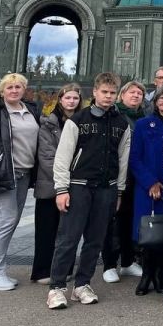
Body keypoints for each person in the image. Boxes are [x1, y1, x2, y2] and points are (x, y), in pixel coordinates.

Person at [47, 72, 131, 309]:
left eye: (112, 93)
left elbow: (123, 160)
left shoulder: (121, 123)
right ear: (94, 92)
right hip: (79, 187)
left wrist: (119, 191)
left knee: (95, 240)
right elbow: (63, 157)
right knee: (68, 239)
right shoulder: (78, 120)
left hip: (106, 189)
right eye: (104, 92)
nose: (108, 96)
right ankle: (57, 287)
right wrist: (61, 189)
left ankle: (82, 284)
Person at [0, 72, 40, 291]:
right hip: (3, 174)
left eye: (18, 87)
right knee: (5, 222)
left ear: (24, 89)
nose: (14, 90)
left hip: (24, 174)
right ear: (2, 91)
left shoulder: (30, 109)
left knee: (11, 221)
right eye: (9, 87)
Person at [130, 83, 163, 295]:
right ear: (155, 101)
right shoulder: (143, 124)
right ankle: (146, 275)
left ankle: (161, 275)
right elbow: (135, 158)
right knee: (149, 233)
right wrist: (150, 182)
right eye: (162, 97)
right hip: (148, 188)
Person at [31, 83, 82, 284]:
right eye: (68, 97)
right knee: (47, 229)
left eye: (75, 98)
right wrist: (65, 179)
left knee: (68, 231)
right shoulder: (48, 124)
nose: (71, 101)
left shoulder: (83, 121)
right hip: (50, 185)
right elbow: (46, 157)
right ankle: (43, 271)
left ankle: (65, 269)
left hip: (74, 185)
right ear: (60, 99)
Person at [102, 79, 146, 283]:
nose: (136, 96)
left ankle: (128, 262)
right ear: (122, 95)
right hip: (116, 174)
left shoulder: (143, 117)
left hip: (135, 176)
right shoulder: (114, 114)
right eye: (132, 92)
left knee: (129, 219)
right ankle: (110, 264)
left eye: (139, 93)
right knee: (112, 220)